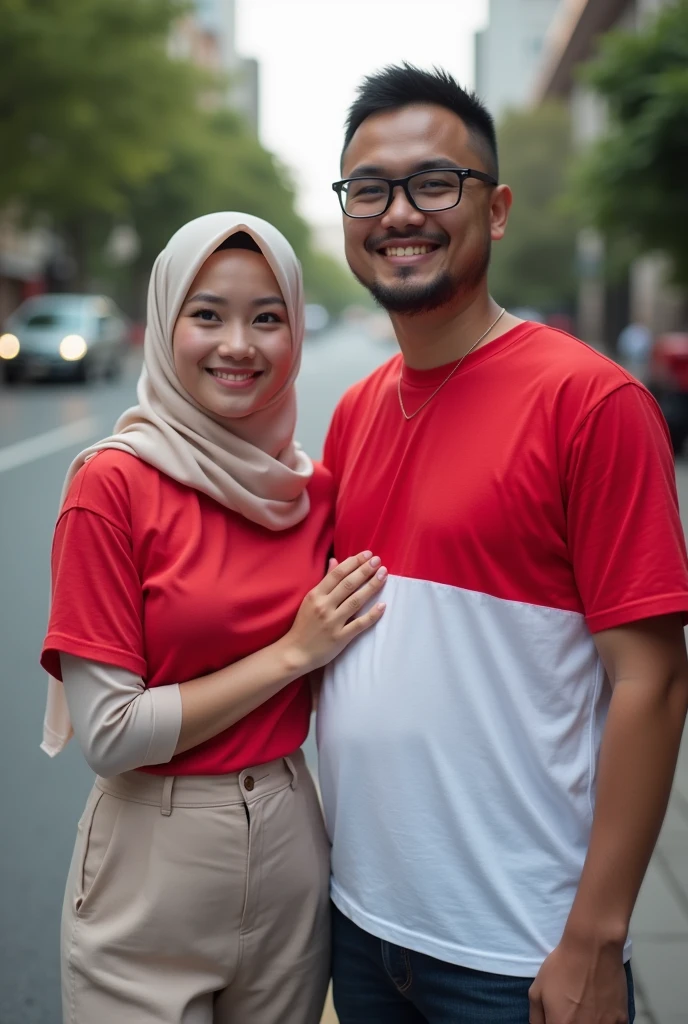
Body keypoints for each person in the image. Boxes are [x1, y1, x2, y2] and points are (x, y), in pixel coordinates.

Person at [318, 64, 688, 1024]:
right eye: (371, 189)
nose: (401, 211)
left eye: (436, 183)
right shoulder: (355, 413)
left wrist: (596, 941)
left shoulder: (590, 402)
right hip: (361, 932)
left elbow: (654, 681)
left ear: (499, 208)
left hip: (516, 954)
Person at [39, 211, 387, 1024]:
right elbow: (113, 733)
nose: (240, 344)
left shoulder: (311, 492)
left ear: (296, 331)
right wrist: (290, 655)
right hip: (149, 859)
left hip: (292, 842)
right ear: (166, 324)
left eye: (268, 318)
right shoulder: (111, 486)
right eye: (208, 315)